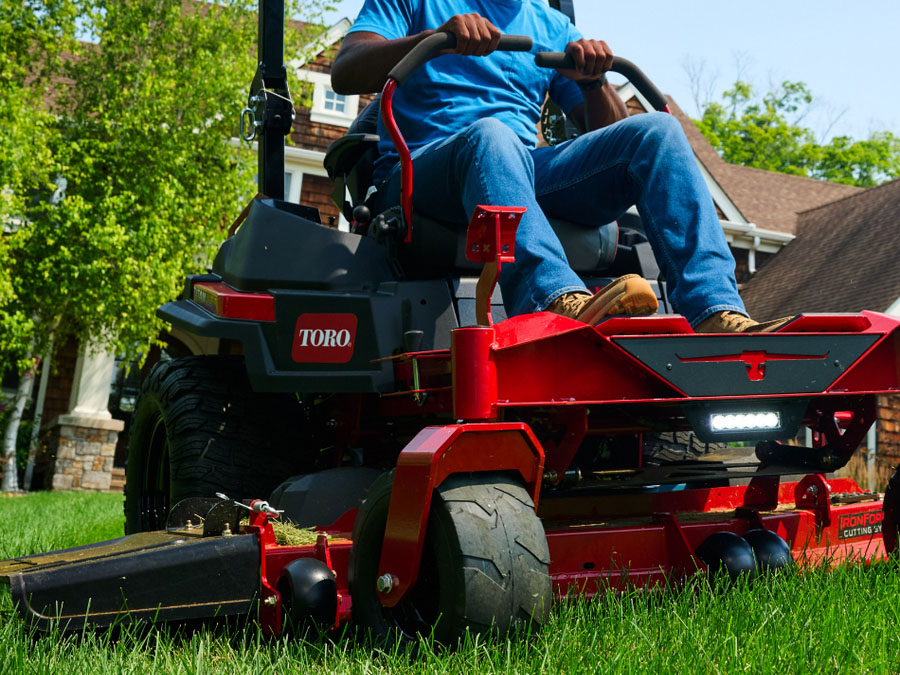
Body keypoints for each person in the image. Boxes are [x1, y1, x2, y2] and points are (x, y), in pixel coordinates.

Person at [331, 0, 789, 332]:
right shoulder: (415, 1)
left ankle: (715, 312)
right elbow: (346, 70)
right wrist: (434, 41)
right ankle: (552, 298)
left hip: (514, 169)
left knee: (657, 132)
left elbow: (606, 139)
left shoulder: (554, 26)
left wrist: (593, 84)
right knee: (494, 135)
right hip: (423, 173)